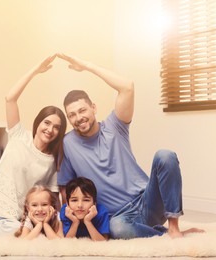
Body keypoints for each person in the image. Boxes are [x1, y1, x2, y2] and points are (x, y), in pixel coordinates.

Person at [56, 53, 203, 239]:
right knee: (117, 229)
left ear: (93, 107)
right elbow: (65, 189)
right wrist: (67, 223)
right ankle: (163, 234)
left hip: (146, 202)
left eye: (82, 110)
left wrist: (86, 65)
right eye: (72, 115)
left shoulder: (115, 125)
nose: (78, 118)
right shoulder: (67, 144)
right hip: (117, 217)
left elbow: (127, 87)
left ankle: (174, 227)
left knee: (165, 155)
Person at [0, 54, 67, 235]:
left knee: (18, 236)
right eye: (47, 123)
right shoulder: (19, 135)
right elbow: (10, 99)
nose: (50, 129)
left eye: (56, 127)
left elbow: (53, 196)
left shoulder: (52, 161)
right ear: (38, 122)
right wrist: (35, 72)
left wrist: (57, 223)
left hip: (11, 218)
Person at [60, 177, 109, 241]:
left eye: (86, 200)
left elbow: (103, 242)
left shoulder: (101, 212)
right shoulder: (66, 212)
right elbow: (67, 242)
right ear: (67, 203)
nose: (80, 205)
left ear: (94, 203)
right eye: (74, 200)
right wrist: (75, 222)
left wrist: (88, 221)